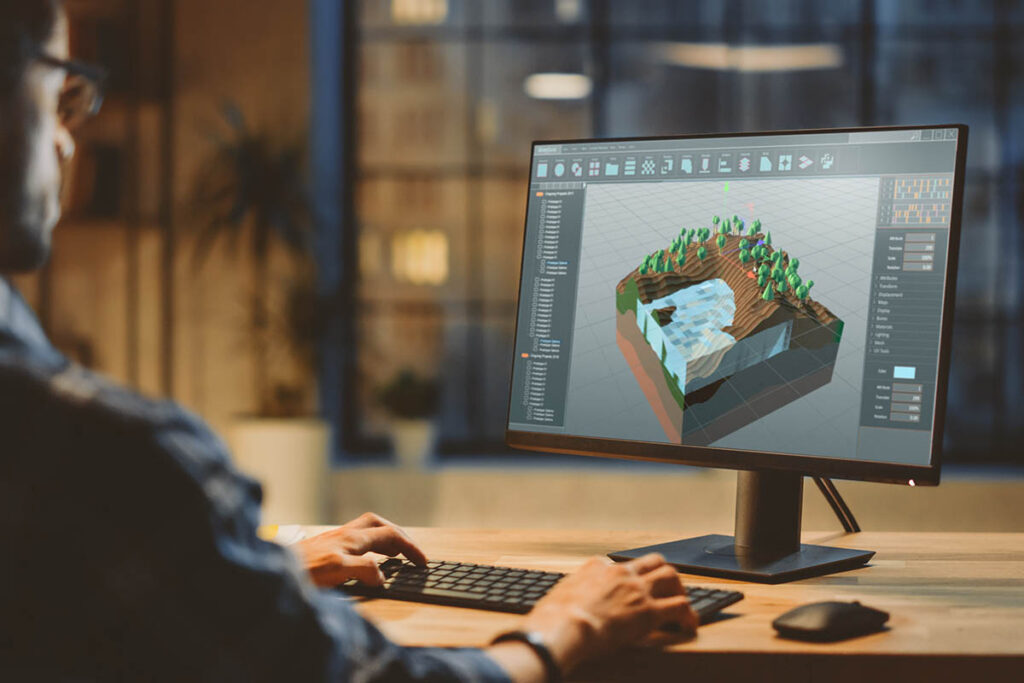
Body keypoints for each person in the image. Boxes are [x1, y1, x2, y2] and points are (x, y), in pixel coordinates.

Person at [0, 1, 697, 680]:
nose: (67, 139)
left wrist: (235, 569)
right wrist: (567, 624)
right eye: (58, 94)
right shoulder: (111, 458)